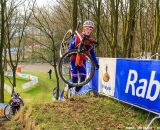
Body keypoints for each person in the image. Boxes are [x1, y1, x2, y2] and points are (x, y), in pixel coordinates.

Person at [64, 20, 99, 99]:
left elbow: (92, 53)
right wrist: (69, 54)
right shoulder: (77, 37)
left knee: (83, 80)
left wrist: (96, 63)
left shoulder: (91, 40)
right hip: (74, 59)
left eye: (90, 29)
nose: (89, 30)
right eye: (87, 28)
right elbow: (70, 49)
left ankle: (74, 93)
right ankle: (68, 87)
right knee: (75, 79)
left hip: (82, 61)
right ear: (83, 28)